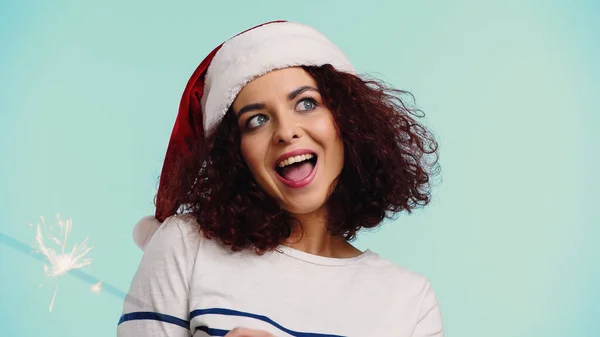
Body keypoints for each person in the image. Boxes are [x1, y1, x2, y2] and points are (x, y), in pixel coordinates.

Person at [117, 20, 443, 337]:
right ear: (235, 153)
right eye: (256, 120)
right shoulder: (186, 246)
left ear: (347, 121)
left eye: (306, 103)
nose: (286, 132)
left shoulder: (409, 301)